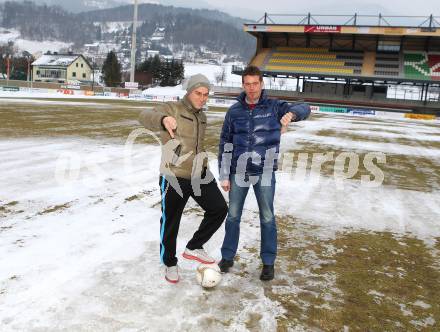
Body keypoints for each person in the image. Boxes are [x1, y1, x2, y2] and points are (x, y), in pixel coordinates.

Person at [217, 65, 311, 281]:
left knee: (267, 217)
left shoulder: (275, 106)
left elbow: (305, 107)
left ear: (262, 83)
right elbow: (225, 142)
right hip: (238, 171)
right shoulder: (234, 111)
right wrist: (224, 173)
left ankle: (268, 262)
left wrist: (292, 114)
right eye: (247, 84)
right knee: (232, 217)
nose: (251, 88)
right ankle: (227, 257)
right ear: (243, 85)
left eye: (255, 83)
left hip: (265, 171)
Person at [139, 74, 228, 284]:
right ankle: (170, 263)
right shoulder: (172, 109)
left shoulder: (202, 116)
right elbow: (144, 115)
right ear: (188, 92)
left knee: (219, 209)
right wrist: (163, 120)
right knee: (171, 222)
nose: (203, 98)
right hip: (175, 176)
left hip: (200, 174)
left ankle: (195, 246)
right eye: (198, 93)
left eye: (206, 94)